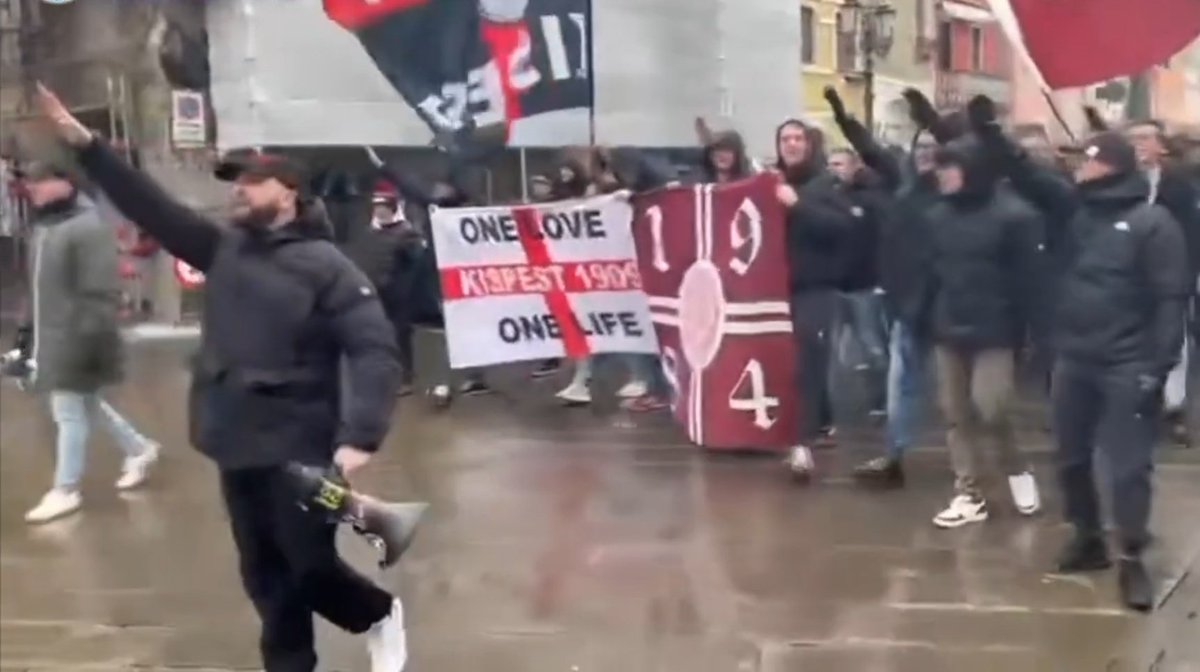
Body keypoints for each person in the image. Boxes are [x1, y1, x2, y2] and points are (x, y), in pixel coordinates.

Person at [35, 84, 410, 670]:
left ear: (288, 194)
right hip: (234, 437)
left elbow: (373, 349)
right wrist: (89, 146)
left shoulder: (328, 267)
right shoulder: (222, 246)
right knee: (263, 570)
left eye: (251, 181)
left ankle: (377, 613)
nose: (238, 189)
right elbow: (150, 205)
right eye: (234, 181)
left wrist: (361, 432)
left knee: (308, 564)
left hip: (301, 441)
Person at [972, 102, 1190, 611]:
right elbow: (1024, 174)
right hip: (1074, 357)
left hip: (1127, 363)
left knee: (1128, 467)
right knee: (1069, 457)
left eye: (1090, 162)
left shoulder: (1152, 224)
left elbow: (1170, 300)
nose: (1081, 168)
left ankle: (1131, 556)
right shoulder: (1072, 210)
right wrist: (990, 135)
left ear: (1111, 168)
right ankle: (1087, 535)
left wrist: (1154, 369)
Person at [14, 160, 161, 524]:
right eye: (29, 183)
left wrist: (85, 344)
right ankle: (139, 448)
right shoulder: (45, 227)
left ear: (65, 183)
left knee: (67, 411)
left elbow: (99, 294)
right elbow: (36, 288)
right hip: (51, 336)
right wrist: (26, 332)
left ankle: (65, 489)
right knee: (85, 402)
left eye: (40, 181)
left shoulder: (87, 227)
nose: (32, 189)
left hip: (75, 337)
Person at [924, 132, 1045, 529]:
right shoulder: (937, 216)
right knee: (955, 413)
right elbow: (930, 271)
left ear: (971, 170)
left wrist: (1029, 332)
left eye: (950, 168)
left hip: (996, 330)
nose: (941, 175)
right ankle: (968, 492)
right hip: (948, 326)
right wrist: (924, 314)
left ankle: (1016, 467)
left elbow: (1030, 279)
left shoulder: (1015, 216)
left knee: (991, 407)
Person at [822, 87, 938, 487]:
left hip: (952, 303)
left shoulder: (958, 187)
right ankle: (894, 457)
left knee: (973, 398)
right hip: (907, 300)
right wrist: (842, 117)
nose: (924, 154)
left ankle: (985, 466)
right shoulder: (902, 181)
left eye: (933, 148)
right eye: (920, 147)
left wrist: (931, 120)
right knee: (901, 381)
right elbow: (870, 149)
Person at [773, 118, 857, 479]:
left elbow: (841, 229)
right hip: (774, 288)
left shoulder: (825, 184)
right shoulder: (769, 183)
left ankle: (803, 442)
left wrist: (797, 206)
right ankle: (805, 427)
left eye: (797, 138)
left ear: (808, 144)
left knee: (808, 359)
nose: (791, 144)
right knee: (782, 363)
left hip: (814, 287)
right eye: (785, 139)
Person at [342, 182, 420, 396]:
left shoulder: (406, 234)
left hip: (398, 296)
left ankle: (405, 378)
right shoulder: (371, 232)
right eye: (377, 207)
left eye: (384, 206)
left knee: (400, 336)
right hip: (375, 293)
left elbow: (413, 264)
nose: (380, 210)